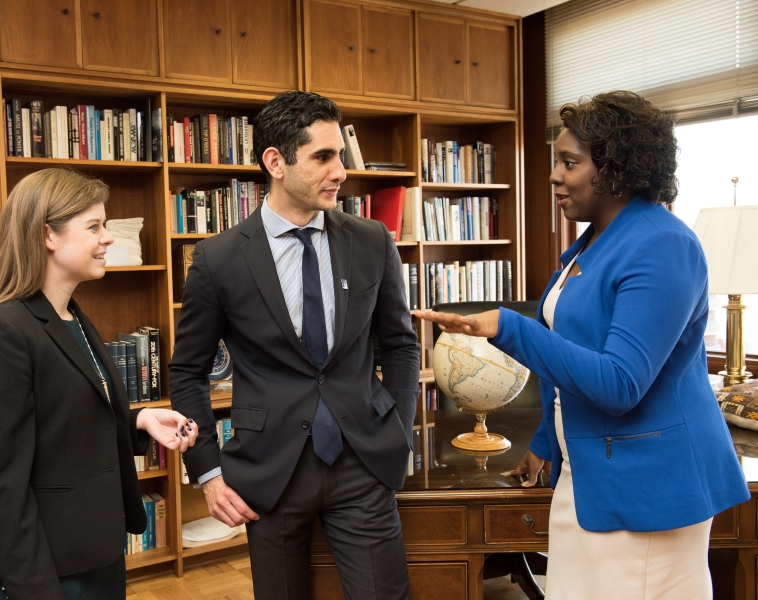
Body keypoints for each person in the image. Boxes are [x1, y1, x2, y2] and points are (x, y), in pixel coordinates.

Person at [414, 90, 749, 599]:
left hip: (648, 489)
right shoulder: (592, 241)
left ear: (617, 169)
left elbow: (619, 384)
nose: (553, 176)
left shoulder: (663, 245)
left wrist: (509, 326)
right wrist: (547, 442)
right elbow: (569, 352)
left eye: (569, 162)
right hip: (588, 475)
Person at [169, 91, 420, 599]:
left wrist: (397, 430)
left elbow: (400, 345)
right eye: (323, 157)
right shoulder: (217, 260)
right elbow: (186, 373)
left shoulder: (373, 241)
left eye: (341, 156)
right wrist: (209, 473)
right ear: (276, 162)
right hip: (267, 472)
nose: (341, 171)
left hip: (362, 462)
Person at [0, 168, 199, 600]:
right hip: (42, 570)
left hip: (95, 552)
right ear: (48, 235)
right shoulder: (0, 332)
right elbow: (2, 483)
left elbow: (62, 425)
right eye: (94, 226)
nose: (108, 237)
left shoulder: (73, 318)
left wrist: (138, 421)